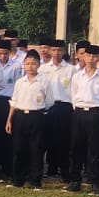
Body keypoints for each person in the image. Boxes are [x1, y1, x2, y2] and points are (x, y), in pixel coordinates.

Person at [66, 42, 99, 195]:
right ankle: (75, 181)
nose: (91, 58)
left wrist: (97, 112)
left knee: (96, 150)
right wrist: (79, 110)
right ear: (83, 56)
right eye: (88, 55)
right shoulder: (77, 76)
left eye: (95, 55)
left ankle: (95, 182)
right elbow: (73, 95)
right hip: (79, 113)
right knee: (76, 148)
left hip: (95, 113)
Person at [5, 49, 50, 189]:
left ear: (39, 65)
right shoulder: (20, 82)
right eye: (28, 63)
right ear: (23, 65)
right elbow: (14, 101)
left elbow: (49, 101)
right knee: (19, 149)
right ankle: (18, 180)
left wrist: (39, 110)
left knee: (36, 149)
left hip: (37, 117)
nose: (30, 66)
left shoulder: (44, 81)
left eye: (33, 63)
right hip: (20, 117)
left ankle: (35, 181)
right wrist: (9, 120)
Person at [41, 38, 74, 181]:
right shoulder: (42, 69)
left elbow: (74, 90)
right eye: (54, 50)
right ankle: (51, 168)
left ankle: (65, 170)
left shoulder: (71, 69)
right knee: (49, 139)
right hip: (48, 106)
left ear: (64, 51)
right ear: (49, 51)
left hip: (64, 106)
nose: (56, 53)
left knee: (64, 140)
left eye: (60, 50)